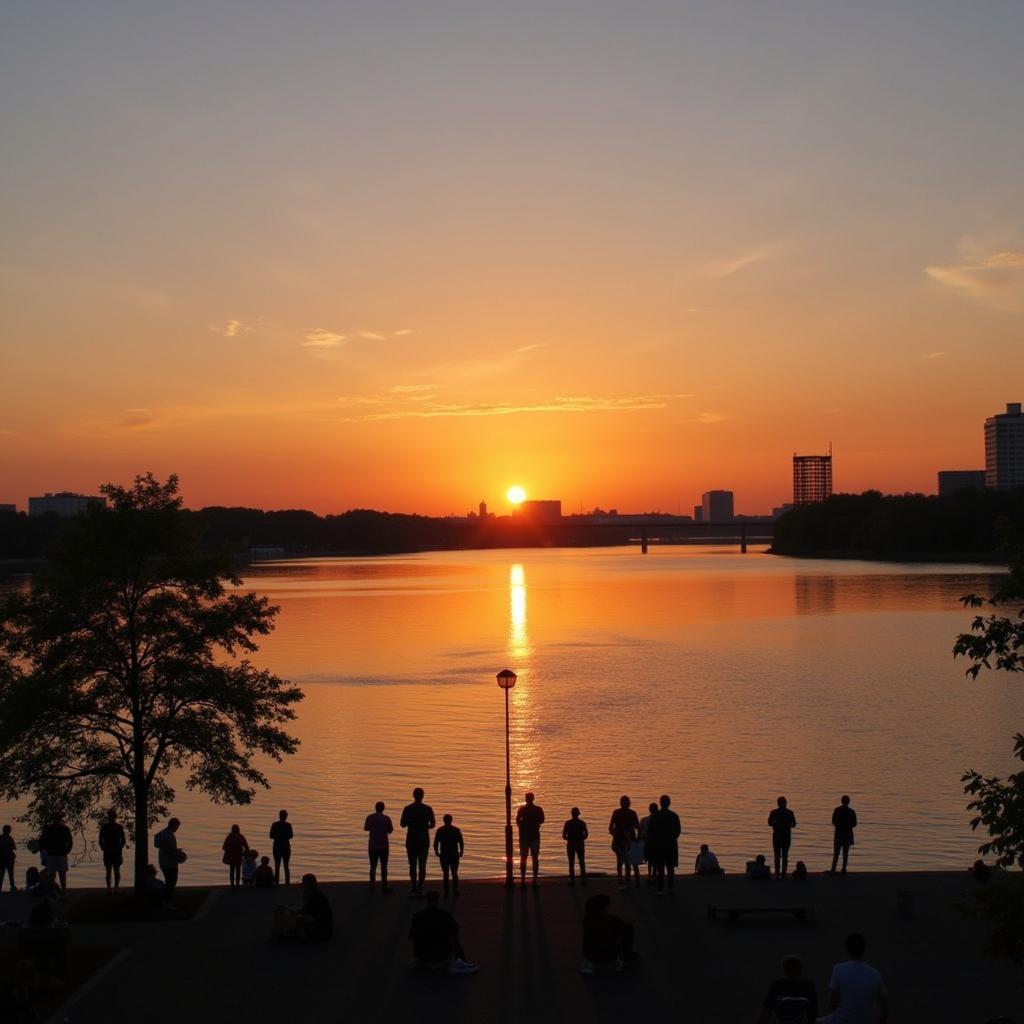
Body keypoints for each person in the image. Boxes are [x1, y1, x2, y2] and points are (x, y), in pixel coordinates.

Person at [819, 933, 888, 1024]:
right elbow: (883, 1004)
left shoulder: (838, 969)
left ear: (847, 949)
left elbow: (833, 1002)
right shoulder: (875, 974)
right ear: (864, 949)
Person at [408, 891, 478, 973]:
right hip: (441, 958)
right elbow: (455, 929)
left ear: (427, 900)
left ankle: (417, 958)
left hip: (422, 958)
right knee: (454, 936)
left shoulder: (417, 916)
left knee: (418, 936)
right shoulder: (445, 915)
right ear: (437, 901)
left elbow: (412, 936)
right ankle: (462, 961)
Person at [580, 893, 635, 974]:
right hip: (610, 955)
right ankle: (625, 956)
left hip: (590, 954)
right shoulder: (614, 919)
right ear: (605, 907)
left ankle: (588, 962)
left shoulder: (587, 920)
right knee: (628, 928)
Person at [757, 954, 819, 1024]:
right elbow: (814, 1012)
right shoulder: (808, 986)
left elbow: (766, 1011)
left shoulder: (777, 985)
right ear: (800, 969)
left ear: (784, 969)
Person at [273, 872, 333, 941]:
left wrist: (294, 916)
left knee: (292, 920)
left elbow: (308, 916)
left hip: (321, 932)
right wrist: (289, 909)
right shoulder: (316, 894)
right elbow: (306, 911)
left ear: (309, 884)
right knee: (291, 918)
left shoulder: (315, 897)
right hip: (323, 930)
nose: (302, 884)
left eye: (304, 882)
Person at [400, 788, 435, 895]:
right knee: (422, 864)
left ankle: (414, 886)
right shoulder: (428, 809)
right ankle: (420, 887)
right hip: (423, 839)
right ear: (423, 796)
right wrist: (424, 826)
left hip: (411, 839)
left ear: (413, 795)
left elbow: (402, 824)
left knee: (412, 864)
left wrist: (412, 823)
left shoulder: (407, 809)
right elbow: (432, 824)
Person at [649, 794, 681, 894]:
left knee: (660, 868)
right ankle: (670, 888)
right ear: (669, 803)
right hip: (671, 845)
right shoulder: (674, 816)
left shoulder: (655, 816)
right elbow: (677, 832)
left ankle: (660, 889)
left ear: (660, 803)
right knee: (670, 868)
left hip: (659, 846)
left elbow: (651, 832)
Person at [608, 796, 641, 890]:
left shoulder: (617, 813)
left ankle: (622, 881)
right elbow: (638, 828)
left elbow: (610, 828)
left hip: (621, 841)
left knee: (622, 862)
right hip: (626, 841)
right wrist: (637, 839)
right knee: (629, 862)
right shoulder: (631, 813)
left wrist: (615, 834)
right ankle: (628, 881)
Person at [515, 791, 545, 887]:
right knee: (535, 858)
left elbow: (517, 820)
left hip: (524, 836)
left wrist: (522, 827)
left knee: (523, 858)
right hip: (535, 835)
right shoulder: (538, 809)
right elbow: (542, 820)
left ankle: (523, 880)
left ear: (526, 799)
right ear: (533, 799)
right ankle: (534, 880)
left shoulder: (522, 809)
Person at [364, 800, 393, 893]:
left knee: (373, 866)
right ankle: (384, 885)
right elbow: (390, 830)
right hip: (384, 846)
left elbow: (366, 828)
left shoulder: (370, 817)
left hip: (373, 846)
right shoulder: (387, 818)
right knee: (384, 867)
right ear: (383, 808)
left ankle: (372, 885)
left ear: (375, 808)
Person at [39, 815, 73, 893]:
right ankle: (53, 889)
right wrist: (43, 855)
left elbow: (70, 842)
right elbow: (42, 843)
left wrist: (66, 851)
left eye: (57, 819)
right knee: (52, 873)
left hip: (61, 854)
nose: (56, 821)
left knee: (62, 873)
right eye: (55, 819)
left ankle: (63, 890)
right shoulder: (48, 829)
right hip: (51, 854)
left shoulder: (65, 829)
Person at [154, 817, 184, 903]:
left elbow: (162, 845)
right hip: (168, 863)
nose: (177, 829)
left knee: (170, 882)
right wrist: (176, 854)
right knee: (171, 882)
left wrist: (176, 850)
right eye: (177, 826)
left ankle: (167, 900)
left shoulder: (165, 833)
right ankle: (167, 900)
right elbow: (167, 849)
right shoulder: (167, 834)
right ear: (173, 825)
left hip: (166, 862)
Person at [433, 814, 464, 897]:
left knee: (446, 873)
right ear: (451, 820)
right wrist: (461, 851)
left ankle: (446, 891)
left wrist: (437, 852)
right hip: (454, 854)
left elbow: (435, 843)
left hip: (444, 854)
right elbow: (461, 842)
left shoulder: (440, 830)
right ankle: (455, 890)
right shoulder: (456, 830)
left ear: (444, 820)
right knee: (454, 873)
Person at [98, 810, 127, 892]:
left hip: (115, 852)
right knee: (109, 870)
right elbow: (100, 840)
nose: (111, 818)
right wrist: (104, 848)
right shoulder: (105, 827)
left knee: (115, 870)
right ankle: (109, 887)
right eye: (110, 816)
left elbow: (123, 840)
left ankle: (116, 887)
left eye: (112, 816)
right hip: (109, 851)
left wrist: (119, 849)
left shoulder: (118, 827)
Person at [768, 796, 797, 878]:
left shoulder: (774, 812)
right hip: (784, 836)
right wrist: (788, 824)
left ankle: (779, 873)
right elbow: (794, 824)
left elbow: (769, 823)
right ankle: (782, 873)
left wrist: (775, 823)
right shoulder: (789, 812)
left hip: (779, 836)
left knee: (778, 856)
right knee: (783, 856)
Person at [831, 796, 857, 874]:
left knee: (836, 853)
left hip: (839, 834)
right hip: (847, 834)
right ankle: (844, 869)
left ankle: (833, 869)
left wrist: (839, 826)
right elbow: (854, 823)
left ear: (841, 801)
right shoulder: (852, 811)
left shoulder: (837, 810)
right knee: (845, 853)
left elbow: (833, 821)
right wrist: (848, 826)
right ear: (849, 802)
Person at [563, 807, 588, 885]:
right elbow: (586, 834)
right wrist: (582, 839)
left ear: (571, 814)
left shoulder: (567, 823)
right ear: (579, 814)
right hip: (579, 843)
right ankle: (583, 879)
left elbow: (564, 836)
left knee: (571, 861)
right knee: (581, 861)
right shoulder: (582, 823)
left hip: (571, 843)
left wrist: (569, 839)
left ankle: (572, 879)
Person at [269, 809, 293, 886]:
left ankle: (277, 882)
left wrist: (278, 836)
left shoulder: (275, 825)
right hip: (285, 847)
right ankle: (287, 882)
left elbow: (271, 836)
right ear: (286, 817)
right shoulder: (288, 825)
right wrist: (284, 836)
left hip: (277, 847)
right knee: (286, 865)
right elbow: (291, 836)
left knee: (277, 865)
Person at [222, 824, 249, 888]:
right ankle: (234, 884)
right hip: (234, 856)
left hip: (237, 856)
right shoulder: (237, 837)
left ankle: (235, 884)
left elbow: (246, 846)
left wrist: (245, 852)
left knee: (235, 870)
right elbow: (246, 846)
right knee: (235, 870)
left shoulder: (231, 837)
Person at [639, 802, 658, 882]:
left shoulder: (644, 820)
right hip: (656, 842)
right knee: (655, 859)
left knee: (650, 859)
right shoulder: (658, 820)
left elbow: (640, 832)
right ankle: (653, 874)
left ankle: (650, 874)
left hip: (647, 842)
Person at [0, 824, 17, 892]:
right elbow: (14, 847)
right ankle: (12, 887)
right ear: (9, 831)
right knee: (11, 874)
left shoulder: (0, 838)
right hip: (9, 859)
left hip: (1, 859)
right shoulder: (10, 838)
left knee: (1, 874)